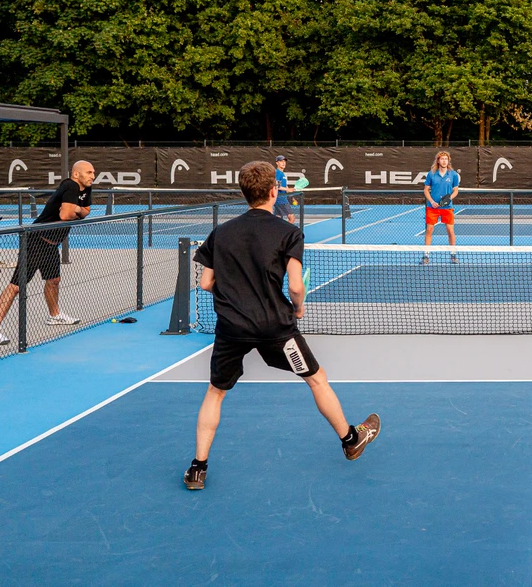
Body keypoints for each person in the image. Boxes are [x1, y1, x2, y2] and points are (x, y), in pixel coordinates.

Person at [186, 160, 380, 491]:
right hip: (275, 326)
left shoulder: (221, 232)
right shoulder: (288, 233)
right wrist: (299, 307)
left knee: (215, 393)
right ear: (274, 191)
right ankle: (350, 439)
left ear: (243, 192)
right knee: (316, 380)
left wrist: (236, 291)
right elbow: (294, 286)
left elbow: (205, 283)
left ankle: (198, 469)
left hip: (231, 327)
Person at [0, 161, 94, 346]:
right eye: (89, 172)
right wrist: (75, 211)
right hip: (35, 240)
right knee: (16, 286)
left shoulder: (86, 189)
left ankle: (54, 315)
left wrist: (76, 209)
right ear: (76, 174)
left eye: (93, 173)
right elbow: (65, 216)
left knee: (54, 281)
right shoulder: (70, 185)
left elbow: (85, 211)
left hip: (51, 244)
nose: (92, 176)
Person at [422, 151, 460, 264]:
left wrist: (447, 200)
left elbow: (456, 191)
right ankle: (426, 256)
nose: (444, 161)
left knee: (450, 231)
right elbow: (426, 190)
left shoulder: (453, 174)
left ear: (448, 161)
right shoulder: (431, 174)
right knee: (429, 230)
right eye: (442, 159)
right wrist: (432, 202)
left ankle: (453, 255)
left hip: (447, 207)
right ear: (438, 161)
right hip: (432, 207)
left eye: (446, 159)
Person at [273, 155, 294, 224]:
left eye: (284, 161)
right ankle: (286, 234)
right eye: (281, 161)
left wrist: (289, 191)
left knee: (278, 219)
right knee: (292, 218)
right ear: (277, 163)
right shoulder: (278, 173)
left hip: (280, 198)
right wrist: (287, 189)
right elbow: (277, 186)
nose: (283, 163)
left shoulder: (282, 174)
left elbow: (284, 186)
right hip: (281, 199)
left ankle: (274, 233)